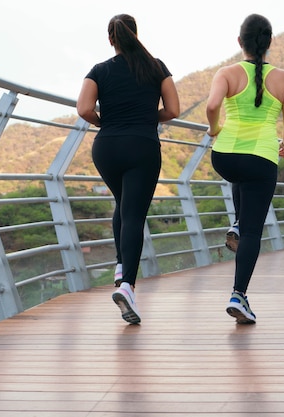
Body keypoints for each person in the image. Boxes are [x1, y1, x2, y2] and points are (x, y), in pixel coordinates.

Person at [77, 14, 180, 325]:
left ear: (111, 40)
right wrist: (148, 118)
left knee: (123, 203)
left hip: (106, 146)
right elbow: (173, 109)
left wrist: (106, 122)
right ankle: (127, 286)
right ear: (136, 34)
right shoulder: (156, 66)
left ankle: (122, 265)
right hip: (142, 146)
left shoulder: (99, 70)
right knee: (134, 213)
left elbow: (83, 109)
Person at [206, 13, 284, 324]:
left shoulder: (226, 73)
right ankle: (238, 295)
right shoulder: (283, 78)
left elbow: (212, 107)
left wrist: (214, 128)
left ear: (239, 42)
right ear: (269, 43)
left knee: (241, 175)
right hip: (261, 156)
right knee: (253, 232)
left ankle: (237, 223)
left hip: (225, 156)